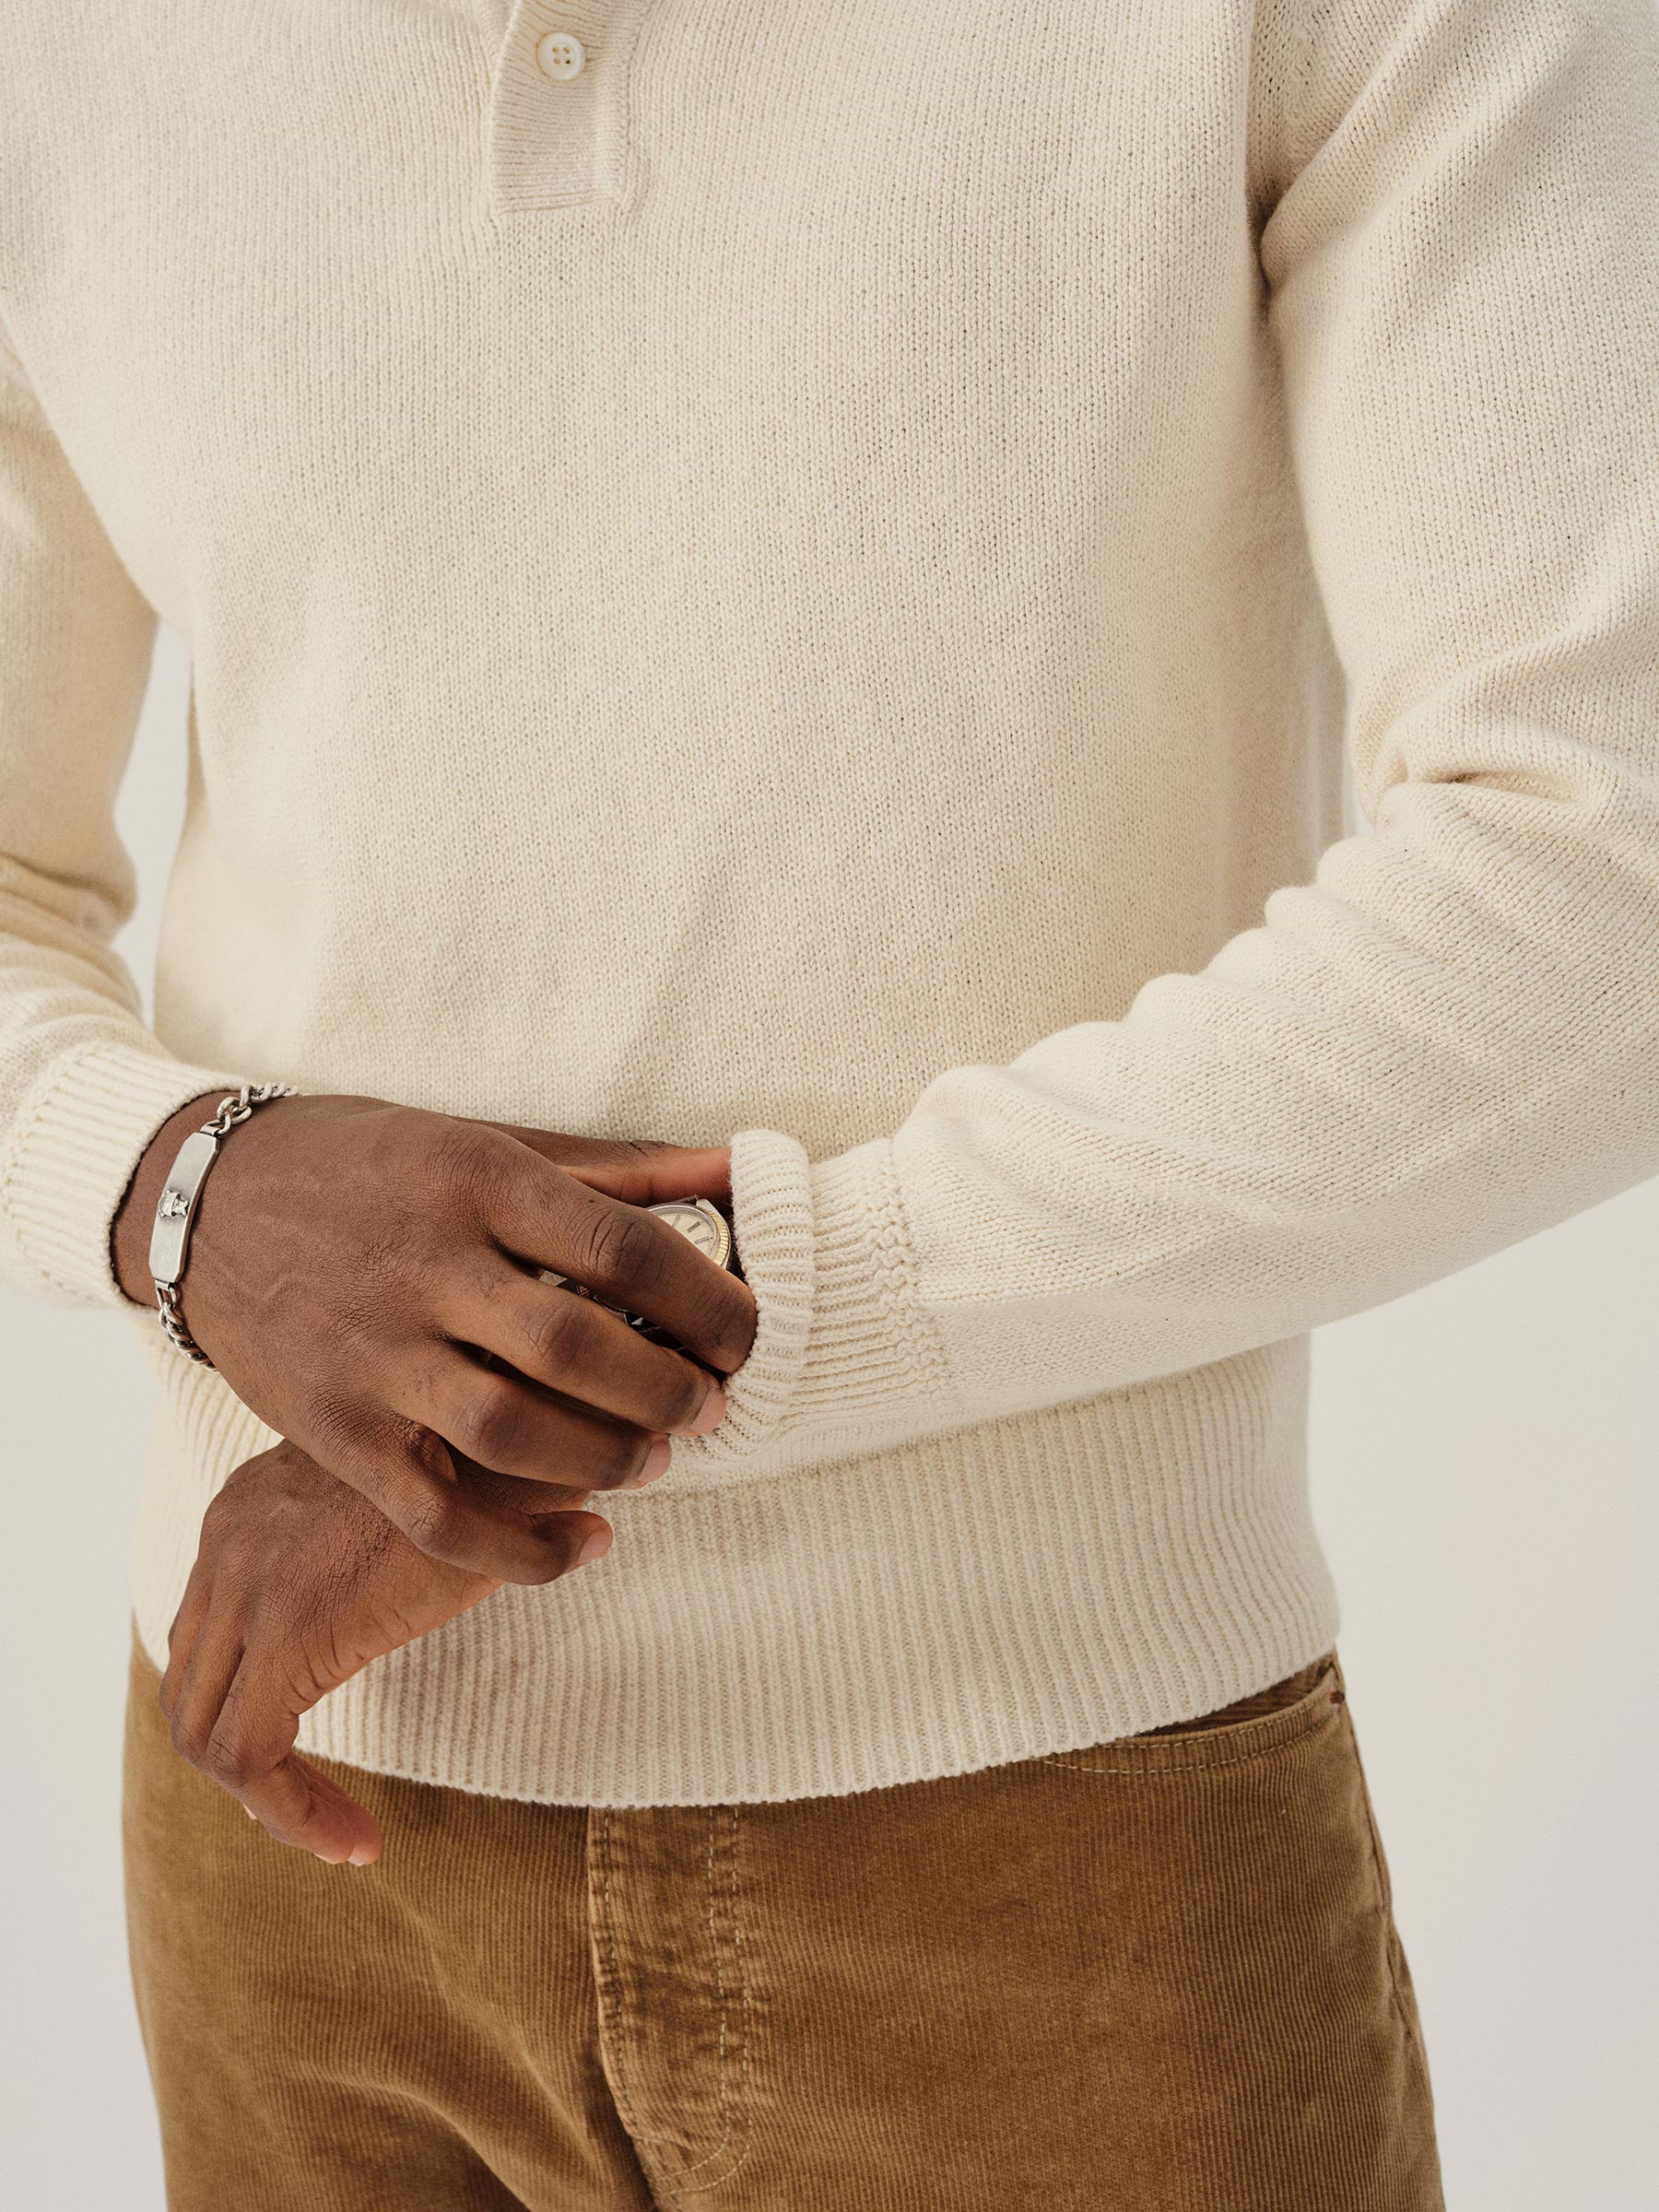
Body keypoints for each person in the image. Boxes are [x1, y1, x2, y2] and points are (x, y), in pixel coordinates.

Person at [4, 0, 1656, 2203]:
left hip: (1054, 1827)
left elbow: (1601, 877)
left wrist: (627, 1342)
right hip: (293, 1837)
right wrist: (172, 1192)